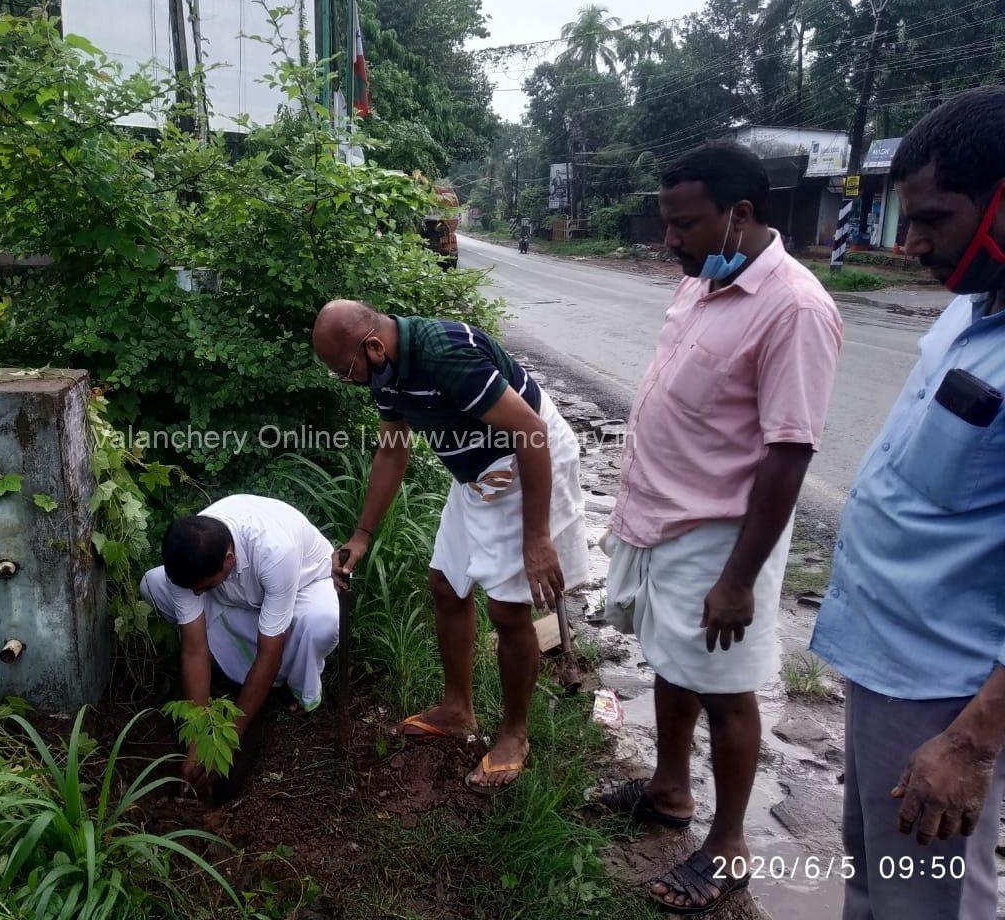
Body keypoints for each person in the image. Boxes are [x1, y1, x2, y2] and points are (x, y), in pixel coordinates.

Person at [595, 140, 843, 913]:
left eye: (685, 223)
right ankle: (671, 792)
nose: (671, 239)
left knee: (728, 689)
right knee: (671, 663)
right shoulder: (704, 279)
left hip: (720, 534)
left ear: (740, 214)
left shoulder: (796, 308)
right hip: (662, 516)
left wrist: (737, 578)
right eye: (668, 222)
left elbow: (789, 452)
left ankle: (730, 847)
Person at [809, 86, 1005, 920]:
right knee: (875, 878)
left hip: (946, 694)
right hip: (882, 660)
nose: (913, 242)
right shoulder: (969, 312)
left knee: (932, 903)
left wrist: (971, 739)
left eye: (936, 219)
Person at [311, 299, 588, 794]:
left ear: (372, 346)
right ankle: (458, 711)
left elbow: (532, 432)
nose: (346, 381)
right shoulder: (386, 371)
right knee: (445, 583)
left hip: (526, 463)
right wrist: (362, 535)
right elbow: (392, 451)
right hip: (478, 477)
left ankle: (514, 735)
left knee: (508, 609)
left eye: (344, 371)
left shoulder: (446, 355)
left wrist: (537, 538)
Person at [140, 495, 339, 791]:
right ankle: (235, 666)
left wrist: (226, 742)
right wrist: (198, 740)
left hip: (299, 588)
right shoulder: (187, 560)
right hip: (237, 597)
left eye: (202, 588)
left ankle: (295, 687)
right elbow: (194, 648)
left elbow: (269, 654)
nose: (196, 595)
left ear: (229, 561)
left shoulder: (275, 551)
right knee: (152, 585)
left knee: (320, 623)